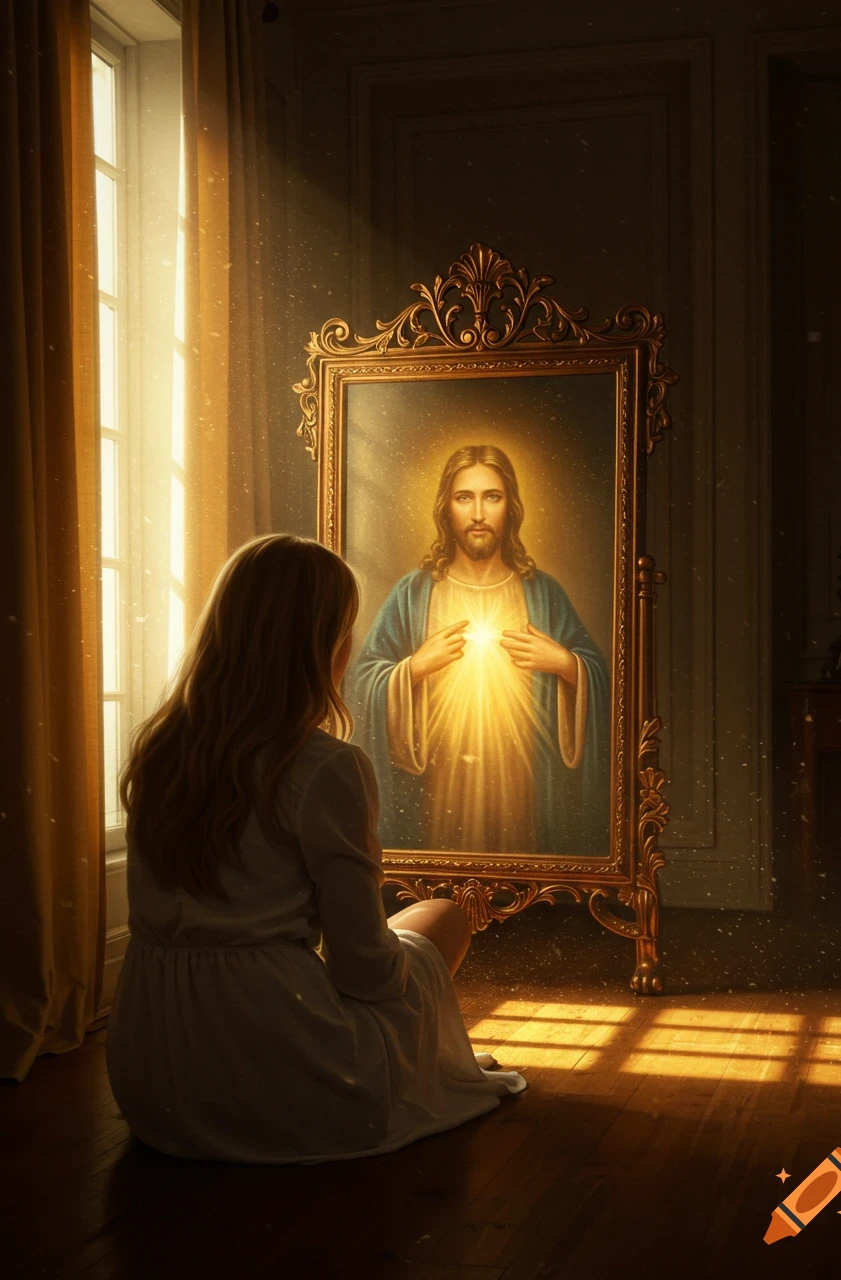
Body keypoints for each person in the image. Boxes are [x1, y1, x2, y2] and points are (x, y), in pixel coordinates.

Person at [105, 535, 526, 1165]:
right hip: (284, 1070)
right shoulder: (322, 766)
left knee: (398, 942)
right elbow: (363, 968)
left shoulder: (158, 751)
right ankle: (414, 1055)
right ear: (322, 644)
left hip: (155, 1075)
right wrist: (414, 1005)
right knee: (442, 917)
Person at [346, 444, 610, 856]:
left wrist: (567, 665)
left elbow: (608, 684)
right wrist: (413, 669)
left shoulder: (543, 594)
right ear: (446, 508)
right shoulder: (413, 594)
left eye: (493, 497)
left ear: (511, 507)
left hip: (523, 781)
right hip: (439, 783)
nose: (479, 514)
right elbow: (359, 685)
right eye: (464, 497)